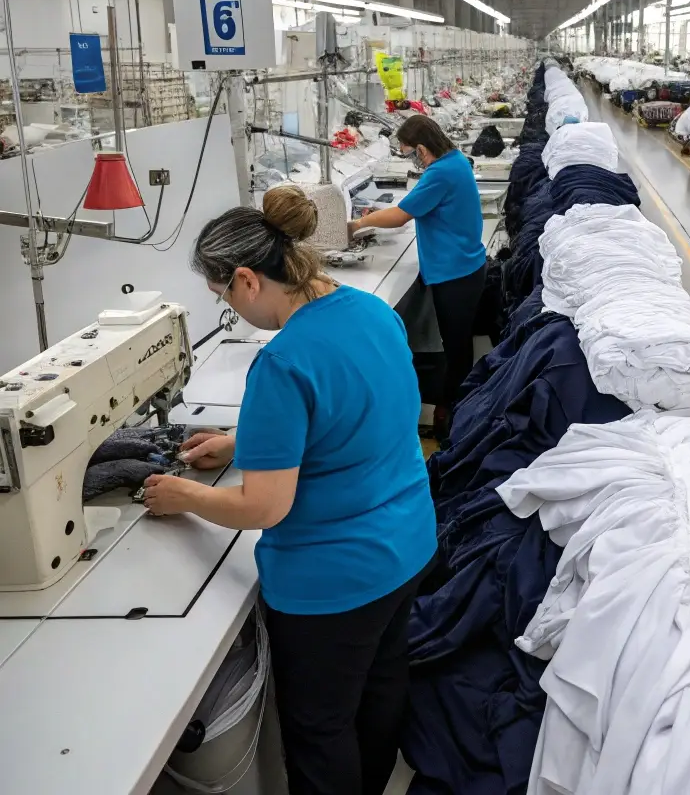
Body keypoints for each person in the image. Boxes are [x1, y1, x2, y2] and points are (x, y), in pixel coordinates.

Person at [143, 184, 437, 795]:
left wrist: (184, 497)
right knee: (381, 694)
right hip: (407, 546)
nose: (229, 308)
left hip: (334, 584)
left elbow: (264, 507)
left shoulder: (281, 362)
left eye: (222, 294)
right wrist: (245, 440)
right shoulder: (369, 311)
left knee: (320, 727)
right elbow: (359, 418)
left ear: (247, 279)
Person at [350, 114, 486, 433]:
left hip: (456, 273)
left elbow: (400, 216)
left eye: (409, 151)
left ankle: (452, 418)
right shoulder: (455, 161)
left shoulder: (441, 173)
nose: (410, 158)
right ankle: (456, 408)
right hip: (464, 266)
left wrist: (358, 224)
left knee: (456, 349)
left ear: (422, 149)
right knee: (458, 345)